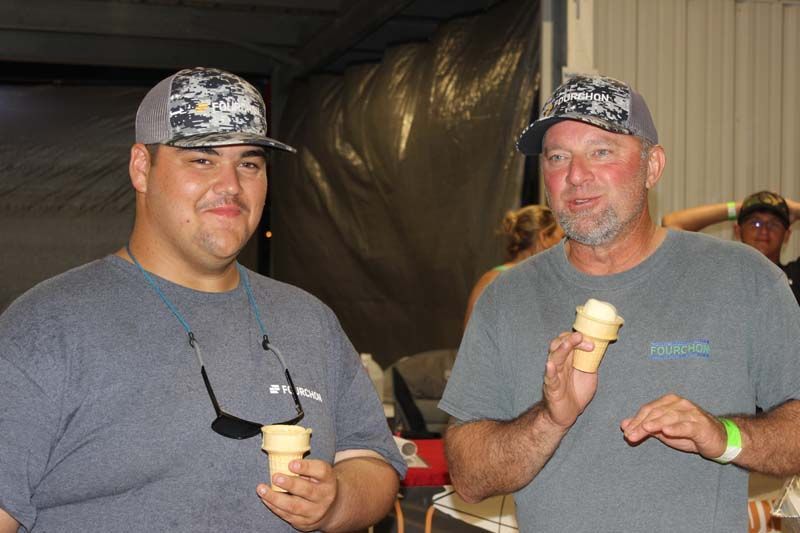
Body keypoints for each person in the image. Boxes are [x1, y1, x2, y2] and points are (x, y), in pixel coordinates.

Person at [0, 67, 405, 533]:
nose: (231, 185)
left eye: (249, 164)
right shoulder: (47, 326)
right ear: (141, 168)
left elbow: (372, 461)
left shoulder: (308, 319)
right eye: (202, 160)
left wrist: (335, 503)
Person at [439, 75, 800, 531]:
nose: (575, 175)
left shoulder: (743, 280)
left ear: (653, 166)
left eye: (601, 151)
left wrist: (722, 435)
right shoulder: (506, 299)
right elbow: (469, 479)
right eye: (557, 157)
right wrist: (550, 419)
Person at [662, 190, 800, 303]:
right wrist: (740, 208)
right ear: (738, 231)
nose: (764, 231)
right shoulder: (721, 275)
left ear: (787, 235)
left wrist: (794, 209)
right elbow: (672, 223)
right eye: (755, 223)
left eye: (773, 224)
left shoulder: (795, 275)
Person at [464, 205, 562, 327]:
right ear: (544, 237)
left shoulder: (490, 280)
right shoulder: (509, 280)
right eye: (562, 238)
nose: (565, 245)